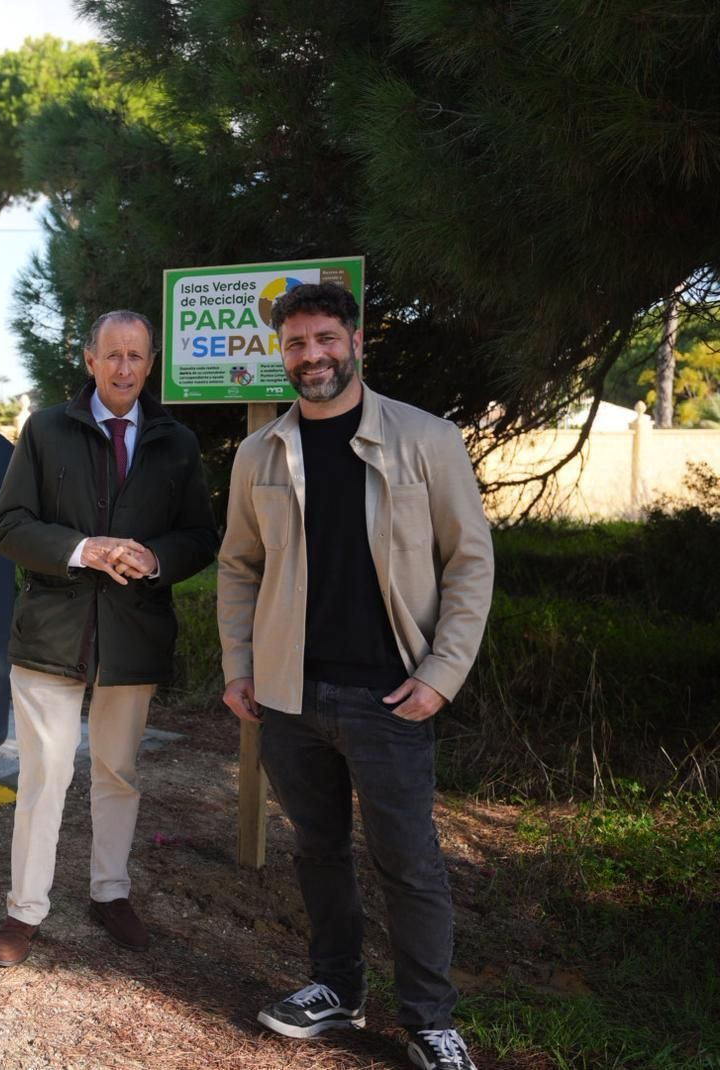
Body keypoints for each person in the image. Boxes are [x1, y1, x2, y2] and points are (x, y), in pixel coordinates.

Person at [217, 283, 494, 1070]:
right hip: (289, 696)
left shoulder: (427, 439)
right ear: (282, 354)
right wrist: (241, 666)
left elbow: (471, 563)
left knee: (408, 860)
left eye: (325, 339)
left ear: (355, 341)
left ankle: (429, 1020)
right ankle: (336, 988)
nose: (312, 356)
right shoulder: (259, 453)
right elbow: (238, 568)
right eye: (297, 344)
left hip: (392, 695)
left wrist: (443, 673)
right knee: (317, 850)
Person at [0, 309, 218, 968]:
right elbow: (7, 527)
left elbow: (200, 537)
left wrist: (155, 559)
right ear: (88, 360)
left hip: (134, 633)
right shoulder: (45, 431)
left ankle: (110, 893)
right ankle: (24, 909)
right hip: (51, 635)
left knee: (119, 772)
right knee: (46, 775)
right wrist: (85, 548)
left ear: (150, 365)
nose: (123, 369)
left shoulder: (177, 444)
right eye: (111, 355)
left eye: (136, 357)